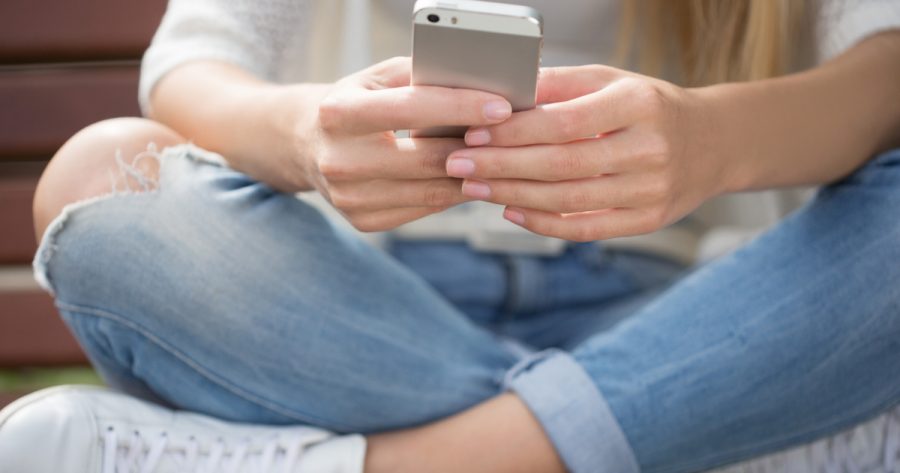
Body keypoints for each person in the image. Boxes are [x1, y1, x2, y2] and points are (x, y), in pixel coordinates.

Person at [1, 0, 899, 471]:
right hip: (369, 317)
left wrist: (710, 141)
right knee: (100, 179)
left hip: (685, 311)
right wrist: (307, 136)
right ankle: (687, 437)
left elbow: (887, 63)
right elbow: (194, 62)